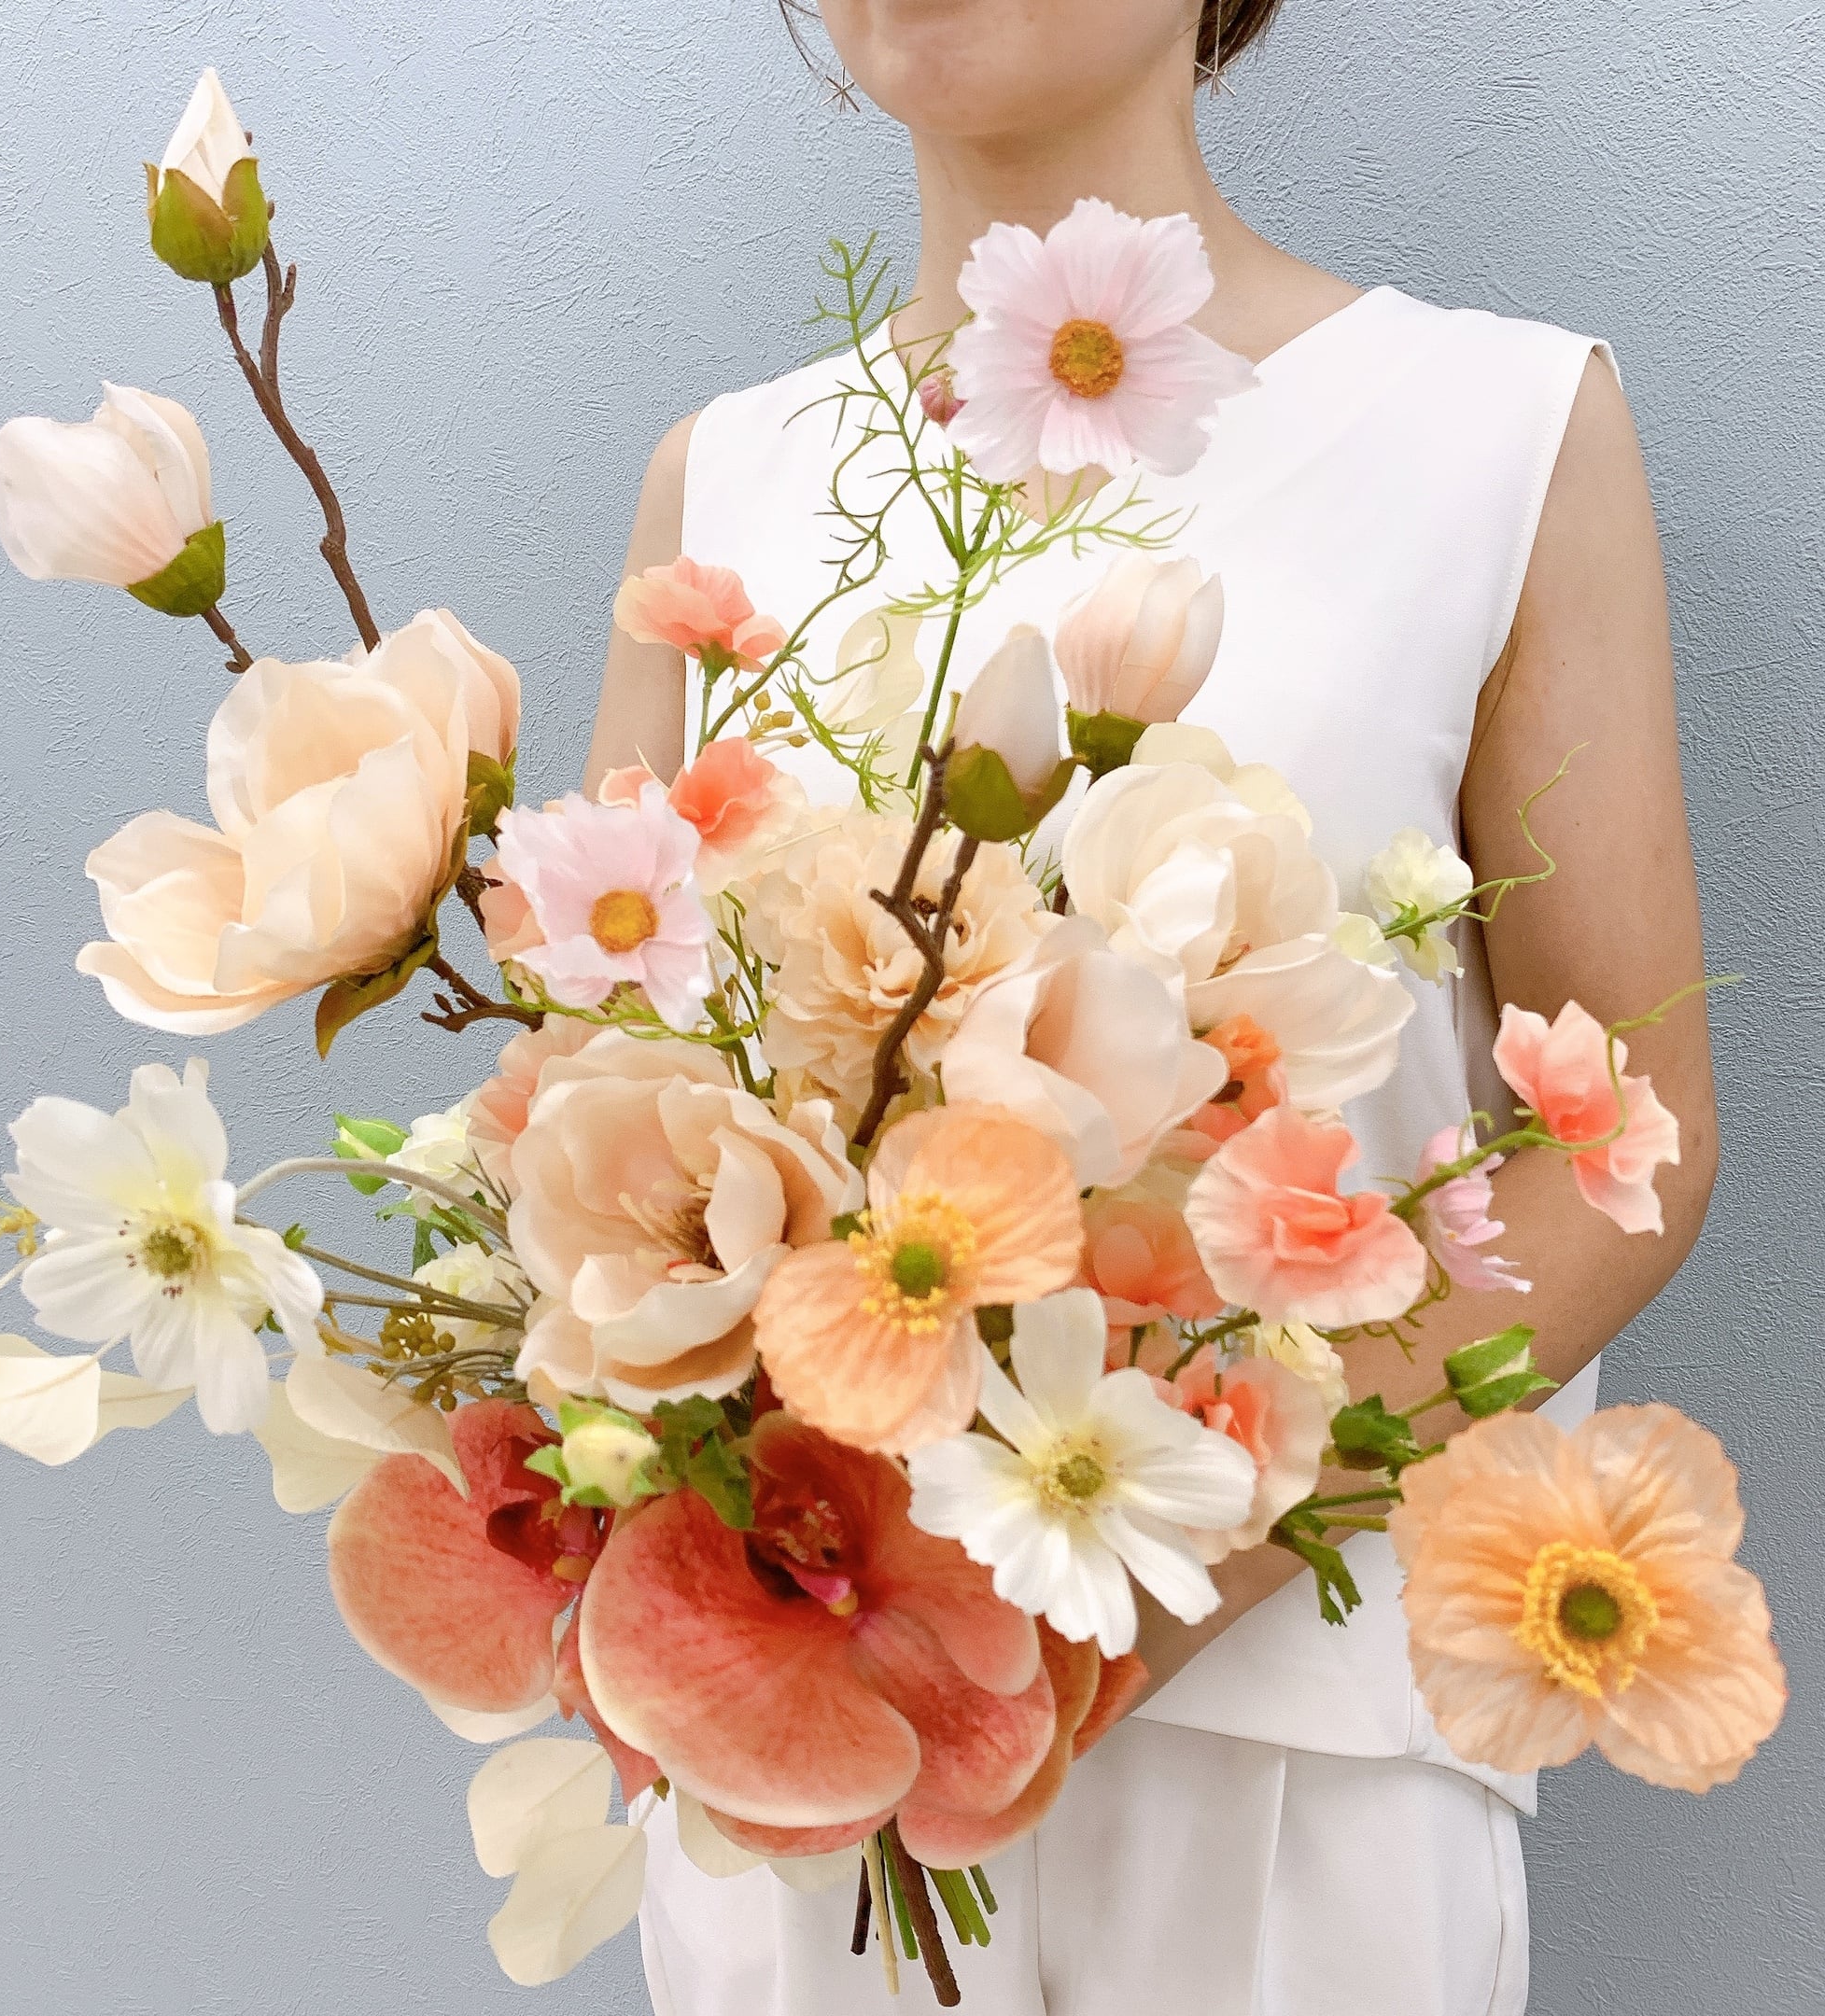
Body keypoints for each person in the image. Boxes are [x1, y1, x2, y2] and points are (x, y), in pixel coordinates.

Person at [583, 4, 1717, 2010]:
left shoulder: (1496, 429)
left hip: (1298, 1740)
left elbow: (1630, 1130)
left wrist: (1161, 1576)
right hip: (817, 1747)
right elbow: (612, 1115)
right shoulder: (726, 480)